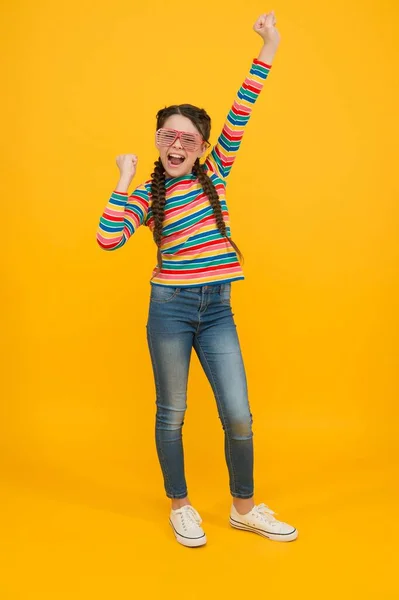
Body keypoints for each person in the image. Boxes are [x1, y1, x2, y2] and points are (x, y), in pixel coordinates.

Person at [96, 11, 298, 547]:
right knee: (173, 413)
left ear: (203, 146)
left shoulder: (216, 172)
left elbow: (242, 108)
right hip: (169, 309)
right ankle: (180, 506)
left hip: (218, 309)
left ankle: (243, 508)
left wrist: (269, 44)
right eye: (168, 135)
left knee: (238, 414)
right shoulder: (148, 195)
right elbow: (109, 237)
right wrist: (124, 178)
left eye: (187, 136)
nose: (177, 143)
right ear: (159, 142)